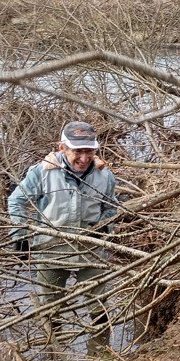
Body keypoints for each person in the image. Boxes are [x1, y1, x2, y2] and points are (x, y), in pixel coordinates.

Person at [8, 121, 118, 343]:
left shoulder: (105, 176)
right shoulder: (42, 173)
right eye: (78, 151)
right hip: (50, 251)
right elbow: (16, 201)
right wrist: (20, 236)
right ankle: (55, 350)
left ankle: (102, 350)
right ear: (62, 148)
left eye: (89, 151)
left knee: (98, 303)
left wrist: (104, 227)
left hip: (91, 252)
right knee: (51, 306)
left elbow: (111, 207)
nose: (84, 158)